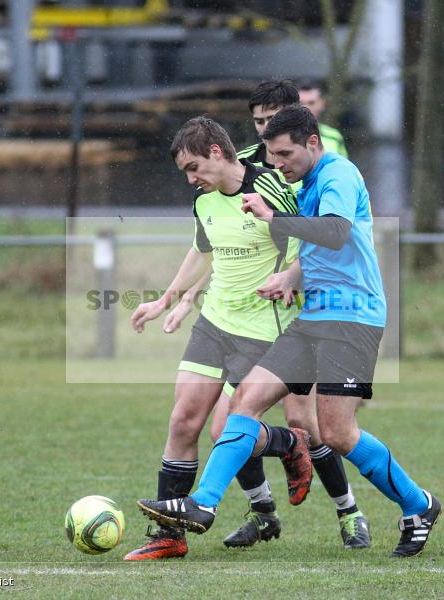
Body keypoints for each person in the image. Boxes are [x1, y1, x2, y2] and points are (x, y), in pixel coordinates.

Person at [138, 106, 441, 558]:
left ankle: (419, 506)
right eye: (273, 154)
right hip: (310, 317)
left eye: (285, 154)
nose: (278, 163)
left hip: (352, 316)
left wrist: (271, 219)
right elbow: (296, 247)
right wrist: (288, 277)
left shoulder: (338, 174)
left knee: (337, 433)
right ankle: (202, 504)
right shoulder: (301, 182)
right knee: (246, 402)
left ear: (313, 144)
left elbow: (336, 233)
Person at [161, 79, 372, 551]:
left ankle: (349, 512)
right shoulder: (244, 167)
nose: (262, 132)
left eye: (271, 122)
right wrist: (184, 297)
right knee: (229, 425)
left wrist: (294, 277)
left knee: (309, 425)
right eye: (257, 122)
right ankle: (263, 513)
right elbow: (227, 250)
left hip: (297, 316)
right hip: (238, 317)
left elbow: (319, 234)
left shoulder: (308, 167)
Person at [122, 116, 314, 560]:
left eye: (193, 168)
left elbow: (311, 242)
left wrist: (291, 277)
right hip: (215, 323)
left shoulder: (271, 186)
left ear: (214, 152)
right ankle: (169, 534)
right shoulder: (204, 202)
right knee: (183, 420)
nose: (191, 179)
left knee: (225, 428)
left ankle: (289, 443)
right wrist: (166, 301)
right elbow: (202, 250)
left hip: (265, 328)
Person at [297, 78, 349, 158]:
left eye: (311, 103)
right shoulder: (281, 137)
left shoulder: (334, 137)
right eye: (301, 103)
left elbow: (345, 168)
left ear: (322, 104)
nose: (305, 108)